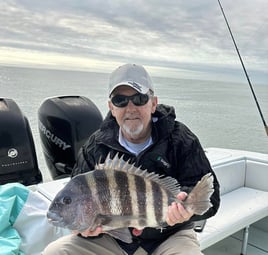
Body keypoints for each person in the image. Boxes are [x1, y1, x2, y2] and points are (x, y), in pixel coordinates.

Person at [43, 63, 220, 255]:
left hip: (169, 236)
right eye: (120, 100)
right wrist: (83, 229)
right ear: (111, 107)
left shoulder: (181, 139)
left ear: (153, 104)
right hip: (112, 240)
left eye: (139, 98)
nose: (131, 108)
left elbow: (211, 198)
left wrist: (185, 208)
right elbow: (77, 195)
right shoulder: (95, 146)